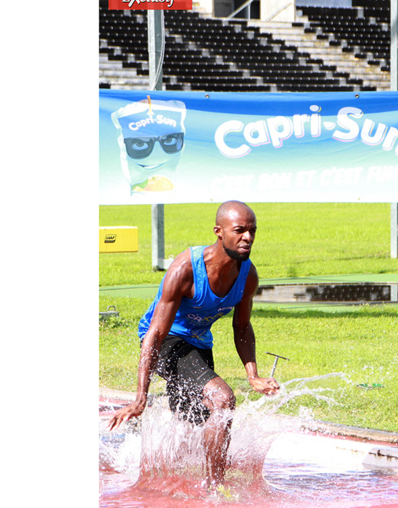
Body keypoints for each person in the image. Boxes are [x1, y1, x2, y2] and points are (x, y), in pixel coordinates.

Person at [107, 200, 280, 486]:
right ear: (219, 232)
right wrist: (140, 396)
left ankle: (149, 466)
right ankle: (216, 488)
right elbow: (154, 334)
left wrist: (253, 375)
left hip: (199, 345)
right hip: (165, 340)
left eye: (252, 231)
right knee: (222, 399)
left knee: (193, 423)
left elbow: (242, 326)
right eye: (239, 230)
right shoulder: (185, 269)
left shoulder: (247, 275)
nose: (247, 237)